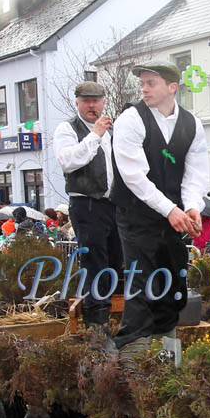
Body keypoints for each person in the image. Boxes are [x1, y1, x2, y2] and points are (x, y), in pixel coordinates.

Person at [110, 61, 210, 365]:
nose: (144, 88)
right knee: (142, 283)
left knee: (172, 285)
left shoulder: (192, 124)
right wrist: (171, 210)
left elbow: (196, 174)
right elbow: (135, 177)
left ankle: (167, 361)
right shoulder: (130, 119)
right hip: (136, 214)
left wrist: (192, 207)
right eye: (142, 82)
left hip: (173, 215)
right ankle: (131, 363)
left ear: (172, 87)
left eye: (151, 82)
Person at [54, 81, 123, 349]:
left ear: (103, 101)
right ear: (78, 103)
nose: (92, 106)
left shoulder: (112, 131)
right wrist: (94, 134)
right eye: (86, 101)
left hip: (113, 205)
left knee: (117, 262)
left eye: (96, 101)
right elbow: (68, 160)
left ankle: (114, 319)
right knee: (95, 264)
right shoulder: (68, 128)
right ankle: (97, 328)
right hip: (87, 204)